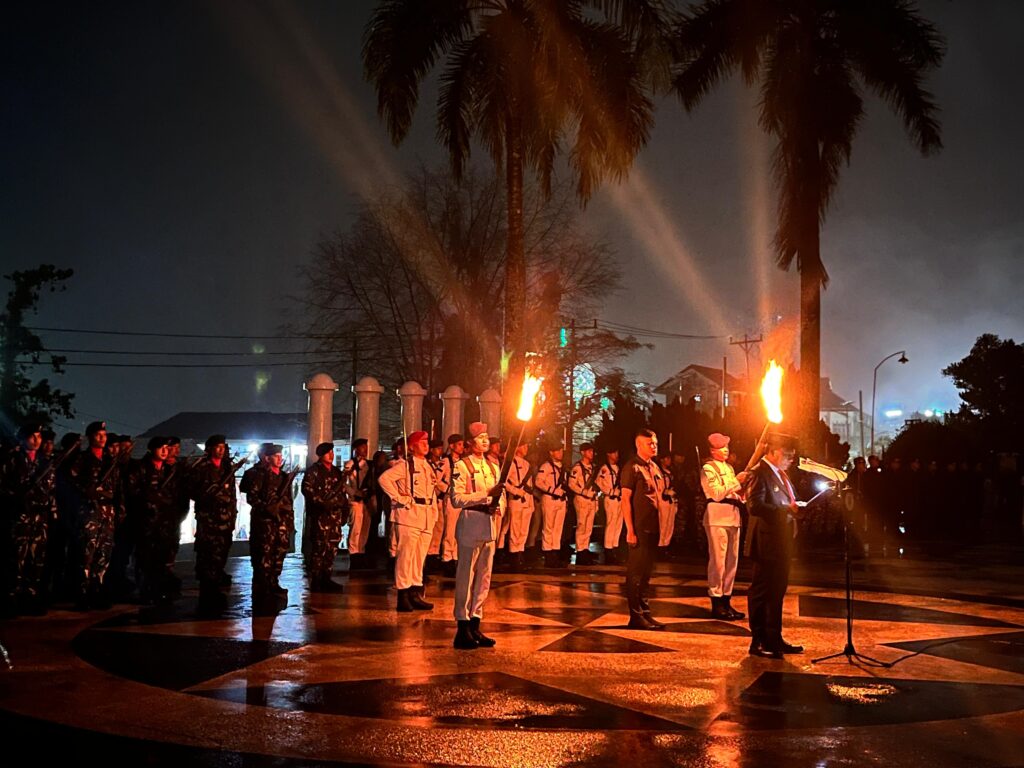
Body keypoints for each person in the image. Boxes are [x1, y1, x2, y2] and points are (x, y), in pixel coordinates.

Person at [744, 432, 803, 658]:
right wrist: (785, 510)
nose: (790, 459)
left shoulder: (780, 474)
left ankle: (774, 637)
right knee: (761, 591)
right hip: (766, 542)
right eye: (788, 454)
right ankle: (758, 640)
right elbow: (755, 506)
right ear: (774, 452)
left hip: (781, 542)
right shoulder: (760, 473)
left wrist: (797, 508)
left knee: (777, 591)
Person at [450, 421, 505, 649]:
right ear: (471, 443)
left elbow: (500, 496)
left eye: (486, 437)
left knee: (484, 577)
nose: (485, 441)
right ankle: (462, 625)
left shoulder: (493, 467)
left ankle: (475, 621)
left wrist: (497, 504)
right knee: (466, 576)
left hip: (489, 525)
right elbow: (457, 499)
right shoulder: (462, 466)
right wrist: (485, 496)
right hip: (471, 523)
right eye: (480, 438)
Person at [377, 430, 437, 612]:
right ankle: (403, 594)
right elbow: (384, 479)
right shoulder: (405, 465)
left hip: (426, 515)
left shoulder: (428, 465)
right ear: (412, 447)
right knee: (406, 557)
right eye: (422, 442)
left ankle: (415, 592)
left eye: (427, 441)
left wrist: (434, 513)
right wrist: (398, 498)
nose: (426, 445)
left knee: (419, 557)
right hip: (409, 515)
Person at [0, 423, 56, 616]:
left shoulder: (44, 462)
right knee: (16, 559)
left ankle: (30, 598)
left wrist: (51, 512)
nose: (37, 440)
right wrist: (15, 498)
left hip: (40, 519)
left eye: (39, 436)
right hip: (20, 517)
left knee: (36, 560)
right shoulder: (12, 460)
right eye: (32, 436)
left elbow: (51, 490)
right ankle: (11, 599)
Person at [67, 421, 122, 610]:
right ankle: (82, 593)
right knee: (86, 554)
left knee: (103, 554)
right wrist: (86, 491)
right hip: (89, 511)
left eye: (104, 434)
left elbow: (117, 487)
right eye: (98, 434)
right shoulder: (82, 459)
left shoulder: (110, 459)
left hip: (107, 512)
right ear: (90, 437)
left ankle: (97, 590)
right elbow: (72, 483)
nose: (102, 438)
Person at [621, 428, 666, 630]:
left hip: (653, 527)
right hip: (639, 527)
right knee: (636, 573)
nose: (654, 446)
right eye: (650, 443)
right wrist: (630, 530)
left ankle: (645, 612)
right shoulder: (632, 468)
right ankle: (635, 615)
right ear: (639, 445)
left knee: (647, 573)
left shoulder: (654, 467)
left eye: (655, 442)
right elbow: (625, 499)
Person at [700, 432, 748, 621]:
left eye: (727, 447)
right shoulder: (708, 468)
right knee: (718, 563)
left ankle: (727, 600)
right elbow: (717, 493)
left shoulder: (728, 468)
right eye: (721, 447)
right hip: (717, 517)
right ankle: (716, 601)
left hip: (733, 517)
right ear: (712, 450)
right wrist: (737, 481)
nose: (726, 450)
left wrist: (741, 493)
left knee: (731, 563)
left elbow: (733, 493)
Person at [189, 434, 239, 611]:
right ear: (209, 449)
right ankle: (207, 592)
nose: (221, 450)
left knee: (220, 557)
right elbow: (193, 491)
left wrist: (233, 517)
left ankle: (215, 588)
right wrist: (208, 496)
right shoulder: (201, 468)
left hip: (225, 521)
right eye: (217, 446)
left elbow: (233, 496)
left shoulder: (227, 469)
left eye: (223, 446)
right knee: (207, 556)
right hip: (208, 521)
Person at [246, 444, 295, 605]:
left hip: (281, 524)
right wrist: (267, 508)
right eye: (276, 456)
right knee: (263, 557)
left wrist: (288, 522)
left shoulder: (284, 477)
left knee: (278, 555)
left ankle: (274, 583)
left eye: (281, 455)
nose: (280, 458)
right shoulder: (260, 476)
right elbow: (252, 498)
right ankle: (264, 587)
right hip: (264, 524)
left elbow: (289, 502)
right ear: (267, 458)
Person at [302, 442, 347, 592]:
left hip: (334, 516)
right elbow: (307, 490)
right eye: (329, 453)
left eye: (332, 452)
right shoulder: (313, 471)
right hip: (320, 516)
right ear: (321, 455)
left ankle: (326, 577)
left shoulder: (336, 472)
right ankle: (316, 580)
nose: (332, 455)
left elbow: (342, 492)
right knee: (319, 548)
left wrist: (343, 508)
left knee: (332, 548)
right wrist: (322, 503)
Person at [535, 443, 567, 568]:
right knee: (548, 528)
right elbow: (538, 482)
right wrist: (551, 490)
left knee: (558, 528)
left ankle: (555, 553)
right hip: (550, 498)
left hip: (561, 500)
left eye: (561, 451)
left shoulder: (563, 467)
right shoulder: (546, 466)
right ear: (551, 453)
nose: (560, 453)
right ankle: (548, 555)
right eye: (557, 451)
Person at [503, 441, 534, 571]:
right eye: (524, 446)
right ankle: (514, 557)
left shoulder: (527, 464)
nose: (526, 448)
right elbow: (504, 482)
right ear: (518, 448)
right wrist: (516, 491)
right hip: (516, 500)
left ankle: (520, 555)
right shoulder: (511, 463)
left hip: (527, 500)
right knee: (515, 529)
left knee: (524, 530)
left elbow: (530, 485)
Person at [568, 442, 599, 565]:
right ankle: (580, 551)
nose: (592, 453)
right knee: (582, 526)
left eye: (592, 451)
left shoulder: (592, 468)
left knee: (588, 527)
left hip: (591, 500)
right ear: (583, 452)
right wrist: (583, 492)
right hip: (582, 499)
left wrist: (596, 502)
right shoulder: (577, 468)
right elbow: (571, 484)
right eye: (589, 451)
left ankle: (585, 549)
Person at [439, 433, 466, 576]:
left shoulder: (462, 462)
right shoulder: (445, 462)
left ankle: (456, 557)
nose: (462, 447)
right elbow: (436, 479)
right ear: (452, 446)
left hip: (461, 499)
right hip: (450, 499)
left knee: (459, 531)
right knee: (449, 530)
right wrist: (448, 489)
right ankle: (447, 558)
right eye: (460, 444)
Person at [344, 438, 373, 570]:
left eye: (366, 446)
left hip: (366, 500)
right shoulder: (351, 464)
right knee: (355, 527)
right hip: (355, 500)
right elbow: (344, 483)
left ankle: (361, 552)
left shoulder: (369, 465)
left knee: (365, 528)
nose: (365, 449)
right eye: (362, 447)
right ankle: (354, 554)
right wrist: (354, 493)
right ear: (356, 449)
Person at [595, 449, 622, 564]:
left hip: (619, 499)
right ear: (608, 454)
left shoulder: (618, 468)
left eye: (617, 453)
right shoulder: (604, 469)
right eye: (614, 453)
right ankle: (608, 550)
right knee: (611, 524)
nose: (617, 455)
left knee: (618, 525)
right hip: (610, 499)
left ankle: (614, 548)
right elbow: (599, 482)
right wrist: (610, 492)